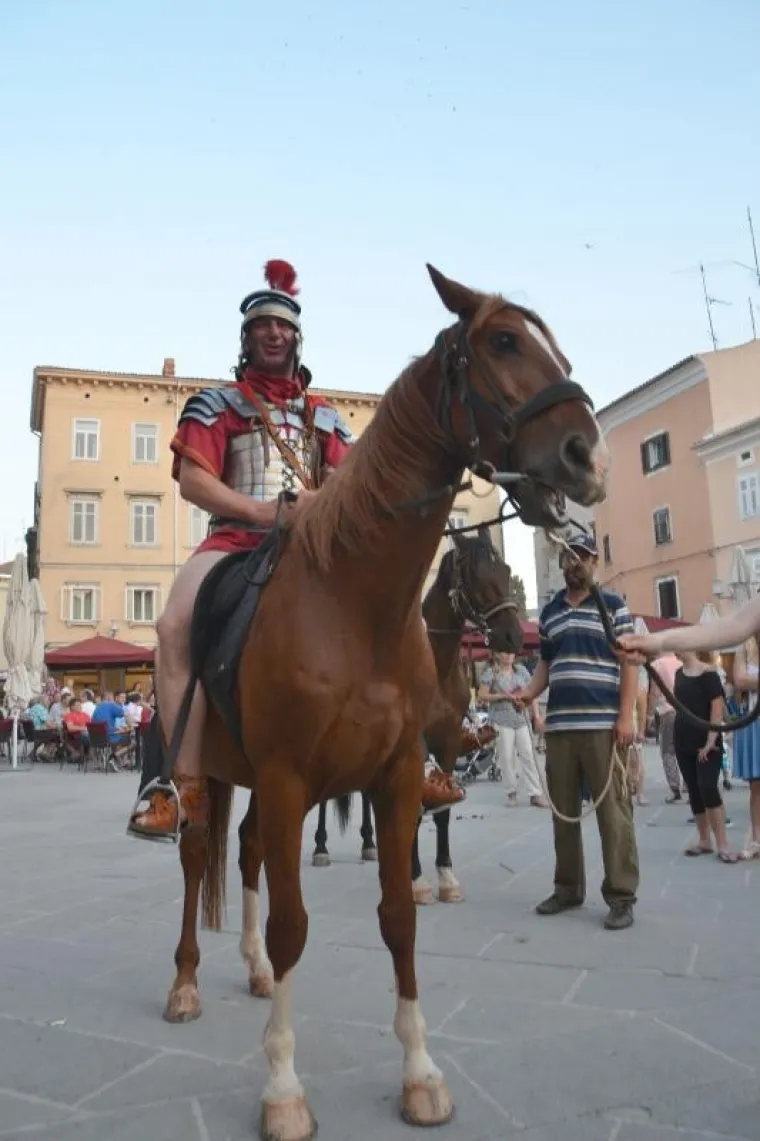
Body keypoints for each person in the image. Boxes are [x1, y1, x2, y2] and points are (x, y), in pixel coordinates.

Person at [128, 260, 463, 841]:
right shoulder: (218, 403)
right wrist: (264, 512)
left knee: (398, 616)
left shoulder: (324, 415)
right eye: (263, 325)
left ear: (296, 337)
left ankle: (418, 753)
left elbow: (354, 482)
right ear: (247, 337)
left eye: (283, 326)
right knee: (173, 626)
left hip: (315, 548)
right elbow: (194, 481)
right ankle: (184, 786)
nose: (274, 333)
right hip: (233, 542)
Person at [511, 532, 640, 930]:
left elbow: (630, 663)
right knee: (563, 813)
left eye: (582, 556)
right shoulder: (550, 612)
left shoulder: (613, 606)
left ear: (594, 563)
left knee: (613, 813)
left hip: (603, 726)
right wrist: (529, 693)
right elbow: (546, 665)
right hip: (561, 727)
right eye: (569, 556)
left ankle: (621, 895)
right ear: (562, 562)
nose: (575, 563)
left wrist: (626, 717)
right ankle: (568, 888)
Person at [620, 593, 760, 860]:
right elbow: (731, 627)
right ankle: (708, 839)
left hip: (707, 740)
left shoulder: (709, 674)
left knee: (708, 788)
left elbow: (717, 709)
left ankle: (722, 842)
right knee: (697, 790)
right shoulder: (680, 673)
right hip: (686, 737)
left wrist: (710, 741)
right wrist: (653, 641)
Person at [477, 651, 547, 807]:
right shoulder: (491, 673)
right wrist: (502, 696)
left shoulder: (521, 671)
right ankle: (511, 793)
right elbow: (482, 695)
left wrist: (536, 715)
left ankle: (535, 793)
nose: (508, 655)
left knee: (528, 755)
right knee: (507, 758)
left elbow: (532, 694)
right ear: (498, 654)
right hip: (502, 720)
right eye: (504, 652)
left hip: (521, 719)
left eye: (511, 652)